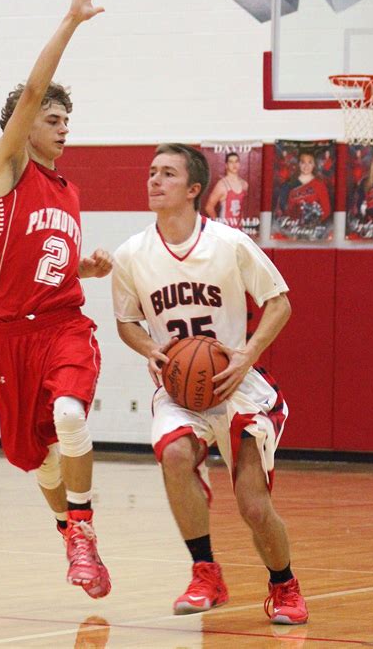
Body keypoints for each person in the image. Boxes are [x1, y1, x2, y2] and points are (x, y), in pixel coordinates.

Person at [112, 143, 308, 624]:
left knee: (252, 504)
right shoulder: (130, 255)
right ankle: (206, 573)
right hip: (181, 391)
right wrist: (148, 350)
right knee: (175, 454)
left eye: (168, 174)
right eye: (152, 172)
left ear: (194, 189)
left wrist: (247, 356)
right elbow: (126, 321)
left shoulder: (230, 243)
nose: (154, 181)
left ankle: (284, 585)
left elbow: (279, 302)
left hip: (238, 386)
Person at [0, 0, 112, 598]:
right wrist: (71, 19)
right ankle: (71, 534)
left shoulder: (71, 192)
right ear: (26, 123)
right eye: (54, 117)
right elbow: (34, 87)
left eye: (68, 118)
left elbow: (48, 259)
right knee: (38, 460)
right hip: (10, 336)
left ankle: (83, 527)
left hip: (64, 326)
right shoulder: (7, 167)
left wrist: (81, 268)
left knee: (68, 413)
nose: (64, 126)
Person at [276, 150, 331, 226]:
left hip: (314, 230)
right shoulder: (289, 185)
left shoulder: (320, 184)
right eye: (303, 162)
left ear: (314, 164)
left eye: (310, 162)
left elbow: (326, 209)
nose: (306, 166)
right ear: (299, 164)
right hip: (293, 229)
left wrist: (314, 222)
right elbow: (284, 209)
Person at [205, 152, 248, 227]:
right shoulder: (222, 185)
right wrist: (218, 225)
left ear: (239, 164)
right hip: (225, 229)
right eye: (231, 162)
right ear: (226, 165)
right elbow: (209, 207)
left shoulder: (244, 184)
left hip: (239, 229)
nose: (234, 165)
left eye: (236, 161)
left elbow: (242, 207)